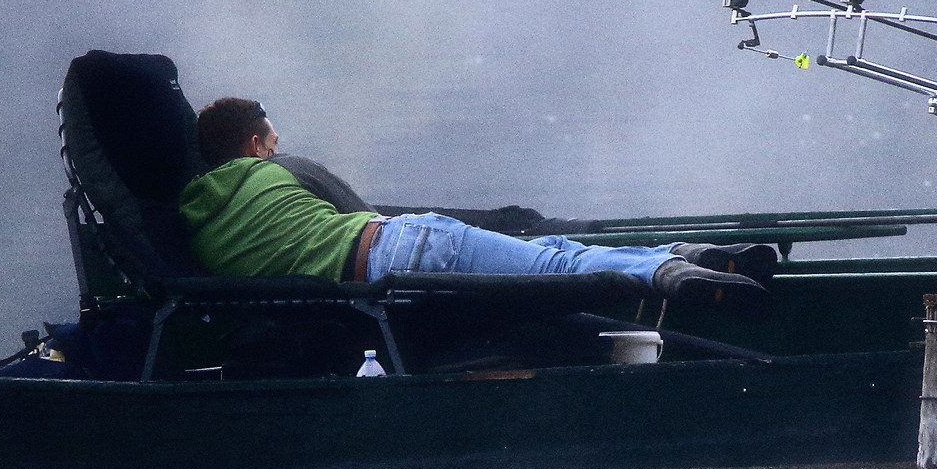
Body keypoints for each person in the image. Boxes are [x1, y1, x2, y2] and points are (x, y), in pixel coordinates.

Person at [177, 98, 772, 303]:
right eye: (275, 143)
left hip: (374, 268)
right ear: (256, 147)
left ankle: (684, 255)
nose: (282, 150)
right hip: (405, 248)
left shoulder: (200, 232)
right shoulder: (278, 173)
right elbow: (362, 209)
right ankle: (674, 270)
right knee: (555, 259)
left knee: (553, 251)